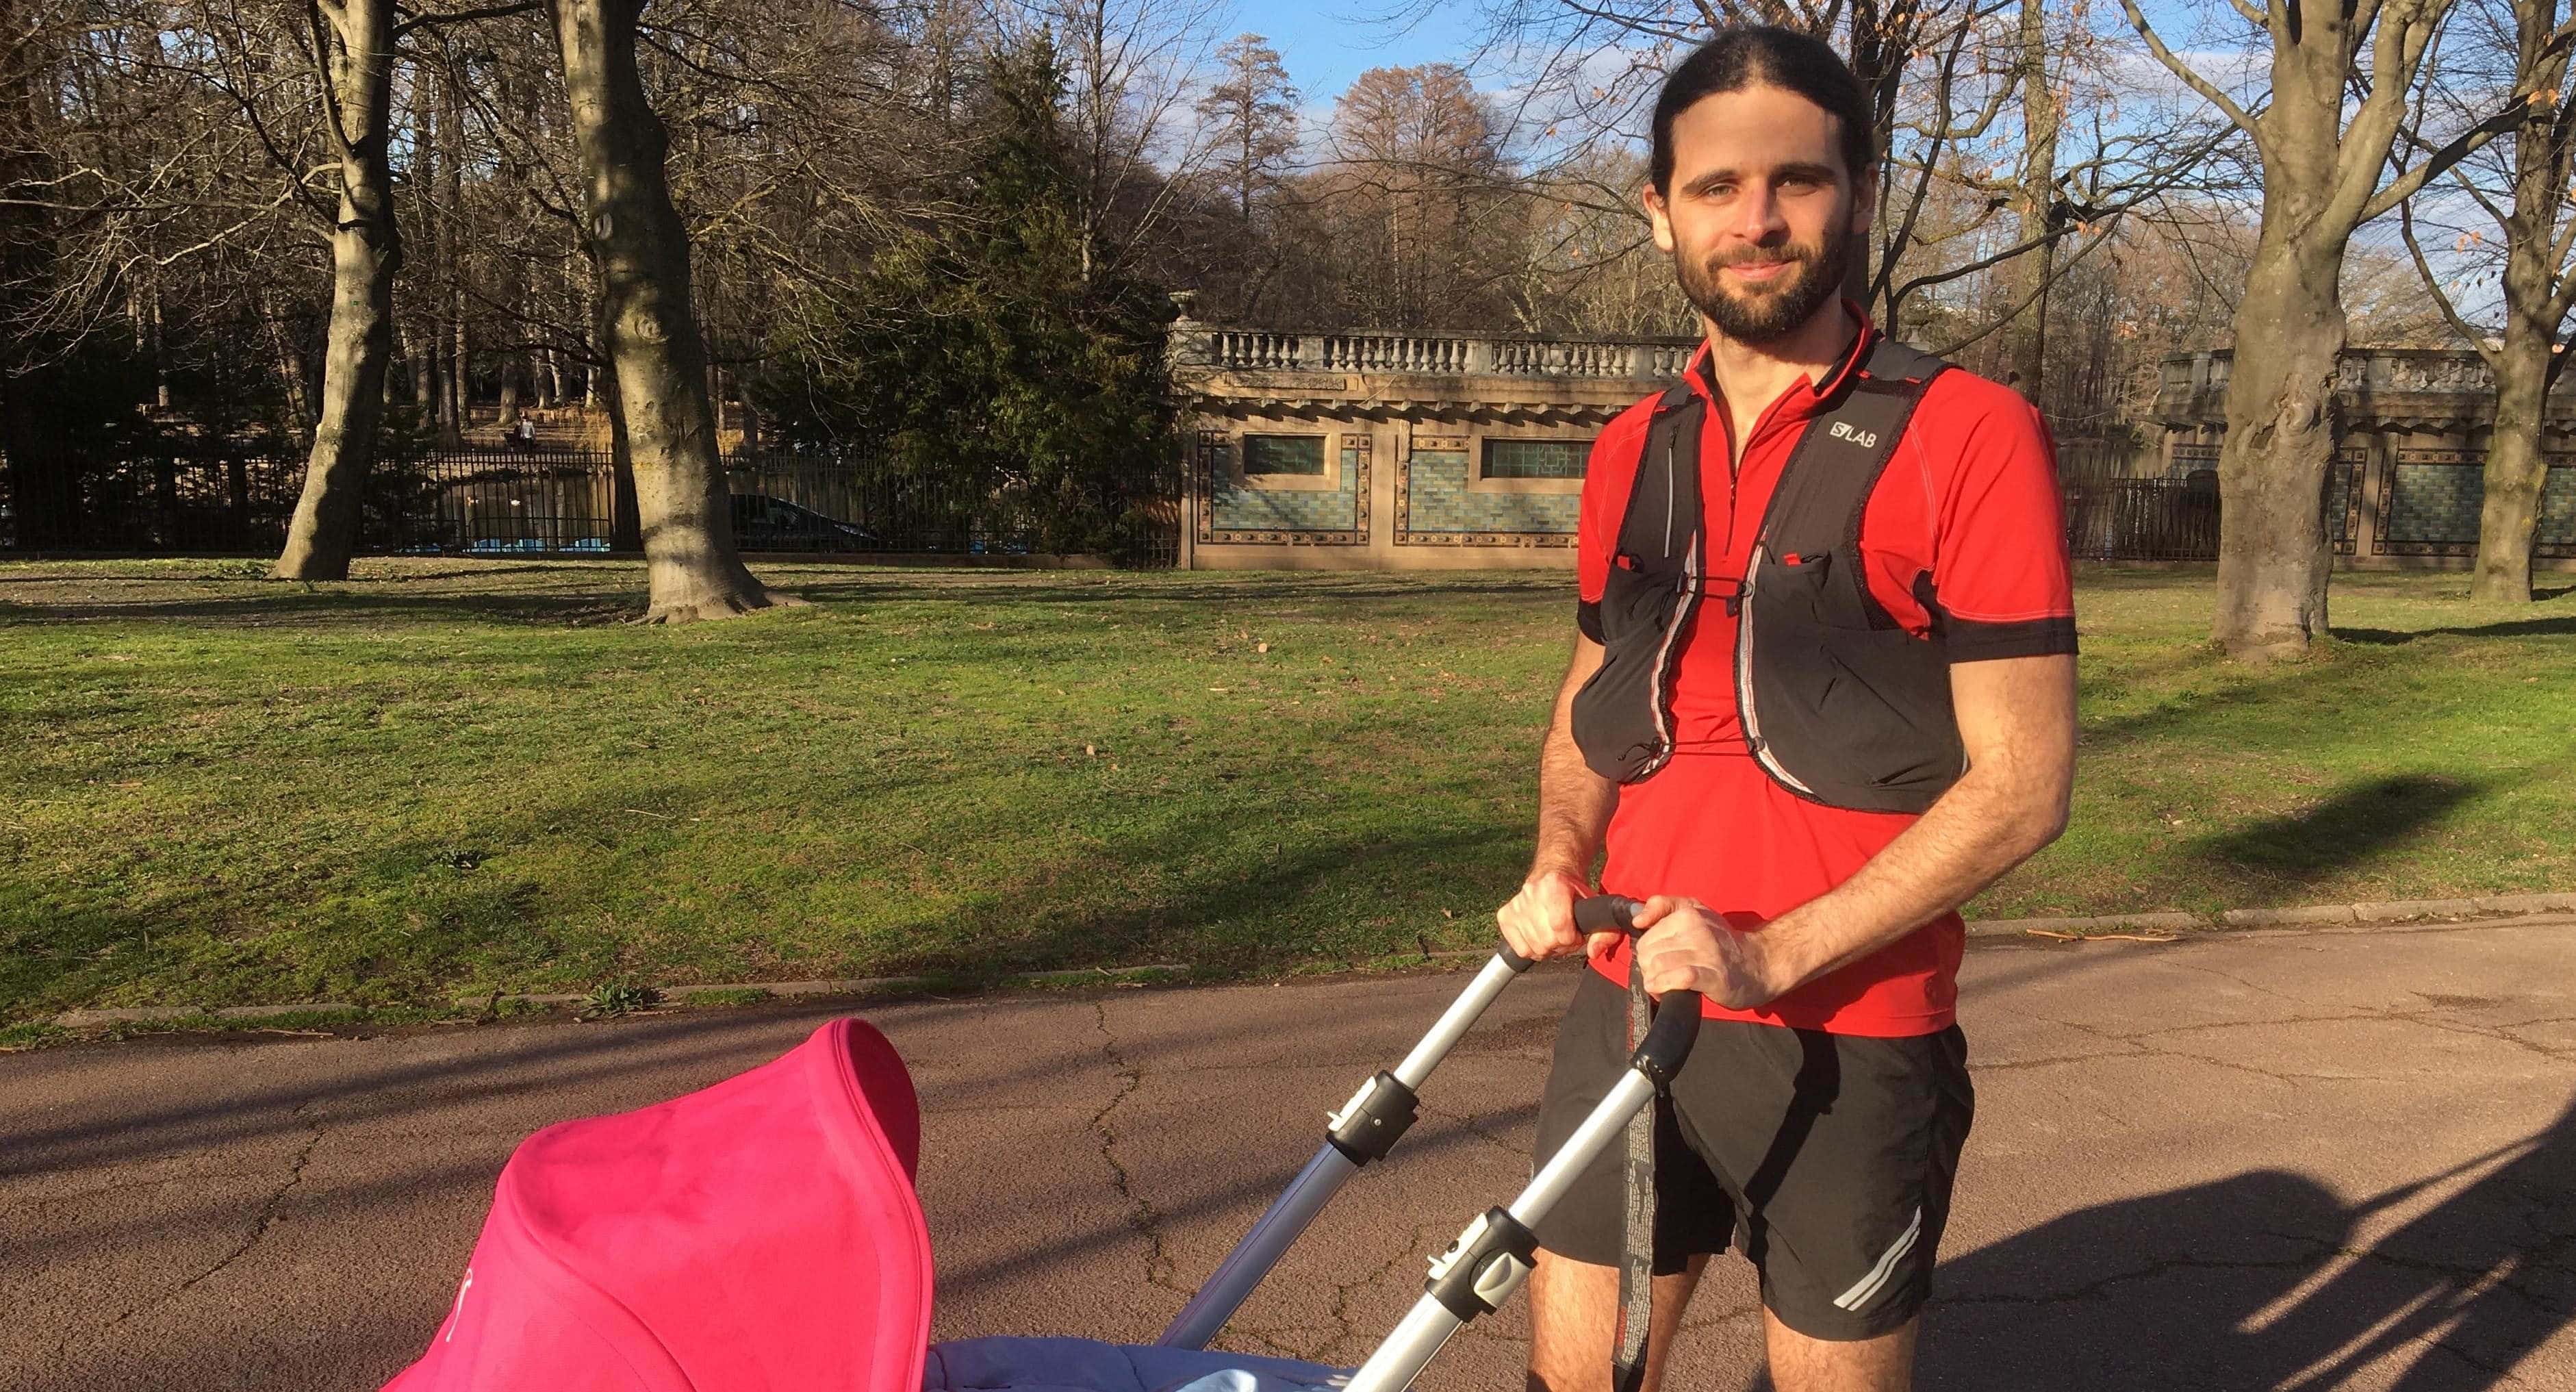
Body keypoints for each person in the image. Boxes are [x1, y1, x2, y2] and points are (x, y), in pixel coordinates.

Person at [1494, 26, 2079, 1392]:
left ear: (1859, 195)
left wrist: (1772, 956)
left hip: (1851, 1034)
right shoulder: (1631, 448)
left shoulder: (1970, 432)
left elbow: (2023, 782)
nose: (1755, 220)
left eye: (1797, 182)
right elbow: (1593, 688)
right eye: (1715, 187)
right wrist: (1557, 860)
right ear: (1660, 212)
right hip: (1626, 1004)